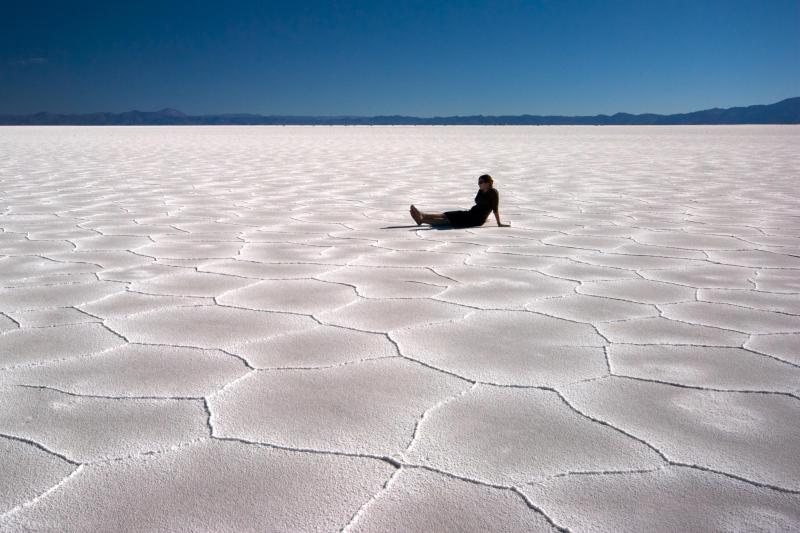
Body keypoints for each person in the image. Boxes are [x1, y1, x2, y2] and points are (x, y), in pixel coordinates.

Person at [410, 174, 510, 228]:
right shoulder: (481, 191)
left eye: (481, 182)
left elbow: (495, 209)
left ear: (488, 183)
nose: (479, 184)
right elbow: (477, 202)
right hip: (471, 213)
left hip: (476, 219)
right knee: (448, 215)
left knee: (448, 221)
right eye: (478, 182)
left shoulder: (493, 192)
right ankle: (422, 214)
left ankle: (422, 220)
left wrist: (499, 223)